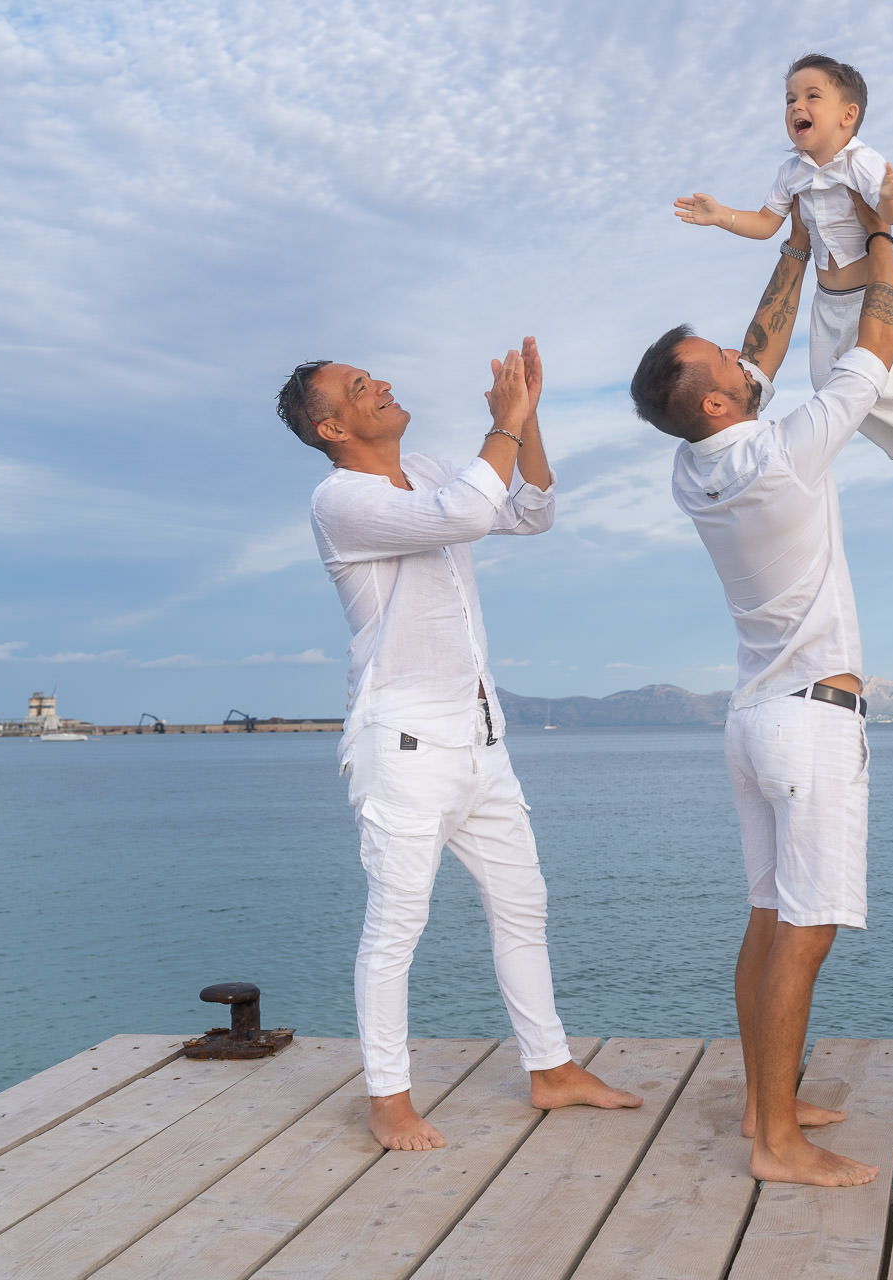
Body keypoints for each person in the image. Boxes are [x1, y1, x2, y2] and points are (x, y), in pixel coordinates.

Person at [279, 339, 641, 1152]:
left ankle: (551, 1069)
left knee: (524, 905)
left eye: (374, 375)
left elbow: (531, 508)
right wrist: (503, 425)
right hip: (404, 746)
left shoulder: (441, 470)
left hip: (480, 738)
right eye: (361, 386)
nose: (383, 385)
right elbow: (472, 512)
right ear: (332, 425)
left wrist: (527, 416)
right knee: (396, 927)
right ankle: (387, 1098)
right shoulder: (339, 498)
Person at [629, 200, 893, 1188]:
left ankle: (760, 1100)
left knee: (765, 915)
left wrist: (793, 244)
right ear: (711, 400)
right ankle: (778, 1142)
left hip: (753, 720)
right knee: (807, 924)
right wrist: (882, 237)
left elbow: (757, 346)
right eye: (726, 365)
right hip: (811, 724)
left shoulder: (691, 465)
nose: (747, 362)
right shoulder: (784, 450)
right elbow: (879, 339)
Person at [673, 52, 893, 461]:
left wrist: (890, 197)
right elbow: (767, 224)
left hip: (869, 298)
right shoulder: (791, 173)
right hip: (826, 301)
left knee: (888, 379)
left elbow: (888, 220)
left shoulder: (863, 162)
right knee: (827, 385)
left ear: (847, 115)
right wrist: (722, 216)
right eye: (789, 99)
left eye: (812, 96)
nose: (797, 106)